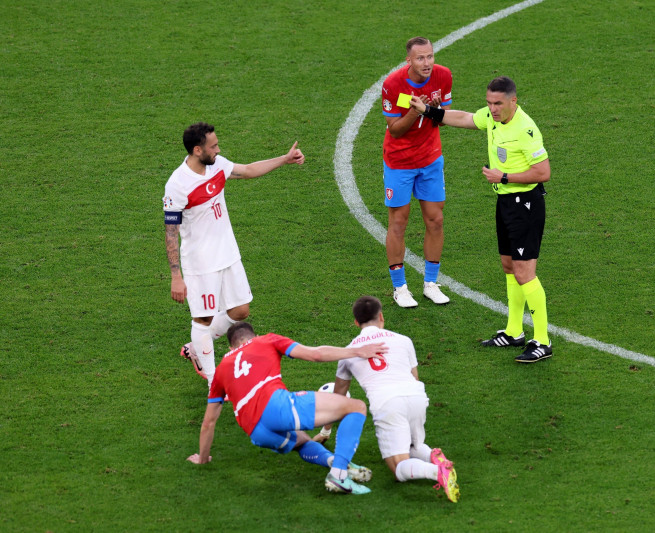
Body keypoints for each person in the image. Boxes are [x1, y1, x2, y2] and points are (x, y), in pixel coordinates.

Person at [409, 76, 553, 363]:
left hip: (525, 203)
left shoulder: (525, 129)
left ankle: (543, 340)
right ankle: (514, 331)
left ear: (513, 101)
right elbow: (465, 117)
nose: (492, 109)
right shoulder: (491, 117)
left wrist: (504, 177)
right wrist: (430, 112)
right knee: (509, 265)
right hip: (505, 202)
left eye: (498, 103)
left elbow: (543, 172)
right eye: (489, 103)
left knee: (525, 272)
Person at [163, 122, 305, 386]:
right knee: (203, 319)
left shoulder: (216, 165)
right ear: (197, 150)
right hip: (201, 262)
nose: (218, 150)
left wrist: (284, 159)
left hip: (227, 253)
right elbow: (170, 232)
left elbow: (248, 171)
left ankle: (195, 348)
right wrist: (175, 275)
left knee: (240, 311)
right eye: (213, 146)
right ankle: (213, 381)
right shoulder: (177, 185)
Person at [186, 321, 387, 495]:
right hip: (276, 406)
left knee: (301, 441)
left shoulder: (221, 369)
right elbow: (315, 355)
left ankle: (333, 461)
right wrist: (357, 351)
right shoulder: (265, 340)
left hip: (256, 431)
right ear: (253, 336)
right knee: (357, 407)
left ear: (231, 348)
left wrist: (203, 458)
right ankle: (339, 475)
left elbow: (208, 422)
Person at [315, 296, 460, 502]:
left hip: (387, 404)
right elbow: (414, 376)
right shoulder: (404, 340)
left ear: (356, 322)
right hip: (417, 396)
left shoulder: (348, 352)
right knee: (413, 445)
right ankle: (432, 455)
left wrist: (325, 430)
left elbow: (337, 398)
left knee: (398, 467)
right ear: (381, 317)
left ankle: (437, 472)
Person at [381, 37, 453, 308]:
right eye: (421, 58)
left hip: (431, 159)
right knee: (398, 222)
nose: (427, 63)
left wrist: (429, 109)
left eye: (430, 56)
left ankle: (430, 283)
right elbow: (395, 129)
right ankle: (400, 288)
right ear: (409, 60)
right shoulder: (393, 84)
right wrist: (415, 110)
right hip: (399, 162)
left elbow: (443, 118)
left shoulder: (443, 76)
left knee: (435, 220)